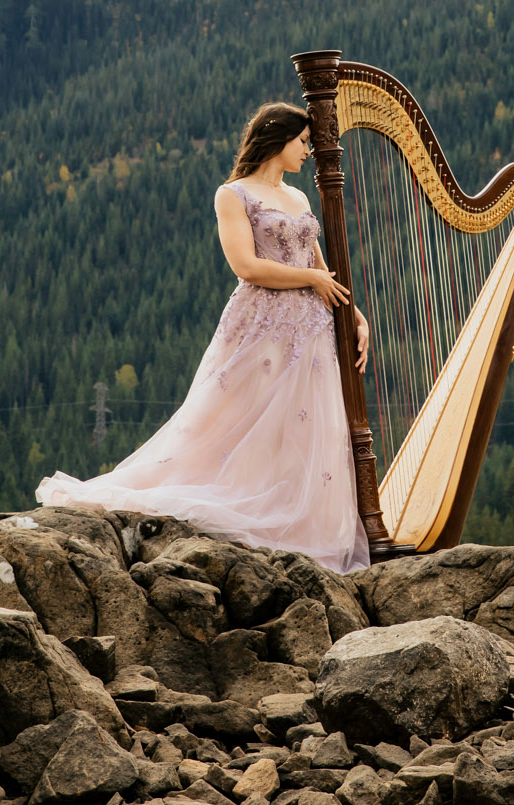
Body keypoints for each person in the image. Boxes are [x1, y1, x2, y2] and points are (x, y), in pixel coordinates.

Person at [36, 102, 372, 572]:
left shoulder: (299, 198)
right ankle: (241, 510)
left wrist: (355, 314)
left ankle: (297, 531)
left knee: (299, 430)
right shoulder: (232, 194)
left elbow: (319, 268)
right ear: (278, 140)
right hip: (262, 324)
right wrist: (312, 283)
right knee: (235, 421)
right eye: (302, 143)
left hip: (311, 330)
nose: (309, 152)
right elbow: (246, 266)